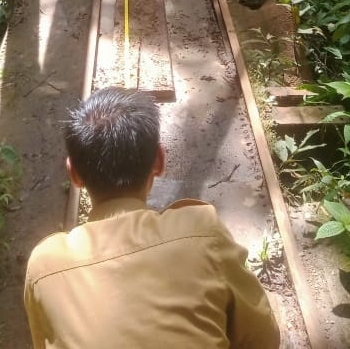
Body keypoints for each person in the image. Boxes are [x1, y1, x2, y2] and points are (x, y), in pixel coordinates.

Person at [24, 87, 280, 349]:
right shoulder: (202, 232)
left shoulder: (44, 265)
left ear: (74, 173)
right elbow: (264, 339)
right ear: (159, 160)